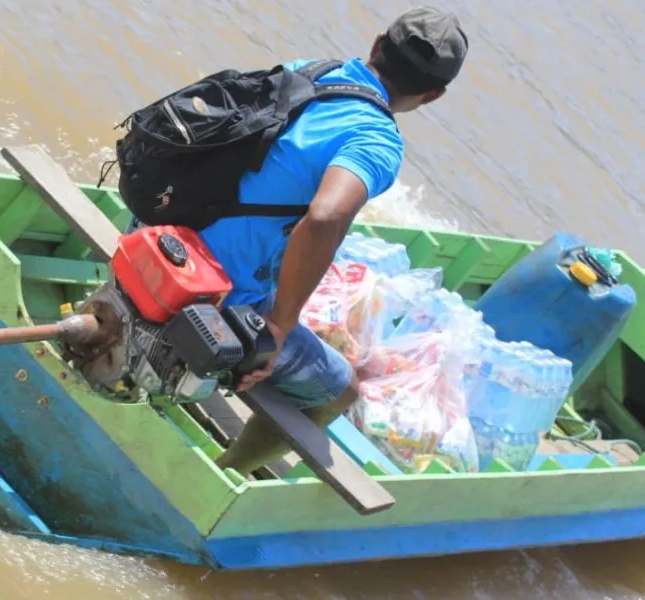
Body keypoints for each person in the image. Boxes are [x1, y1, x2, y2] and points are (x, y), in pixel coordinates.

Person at [130, 8, 469, 475]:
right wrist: (280, 325)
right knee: (341, 389)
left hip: (153, 230)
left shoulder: (309, 70)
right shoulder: (377, 139)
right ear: (432, 96)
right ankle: (233, 471)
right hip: (214, 296)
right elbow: (326, 215)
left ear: (375, 46)